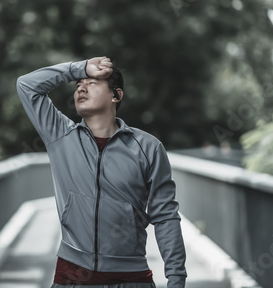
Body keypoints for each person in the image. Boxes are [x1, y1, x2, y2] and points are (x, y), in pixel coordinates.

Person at [16, 56, 187, 288]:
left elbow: (165, 215)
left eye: (92, 83)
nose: (81, 88)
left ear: (116, 95)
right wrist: (80, 68)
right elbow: (26, 85)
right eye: (78, 85)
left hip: (130, 277)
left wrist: (176, 278)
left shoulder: (148, 148)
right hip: (71, 276)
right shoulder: (59, 135)